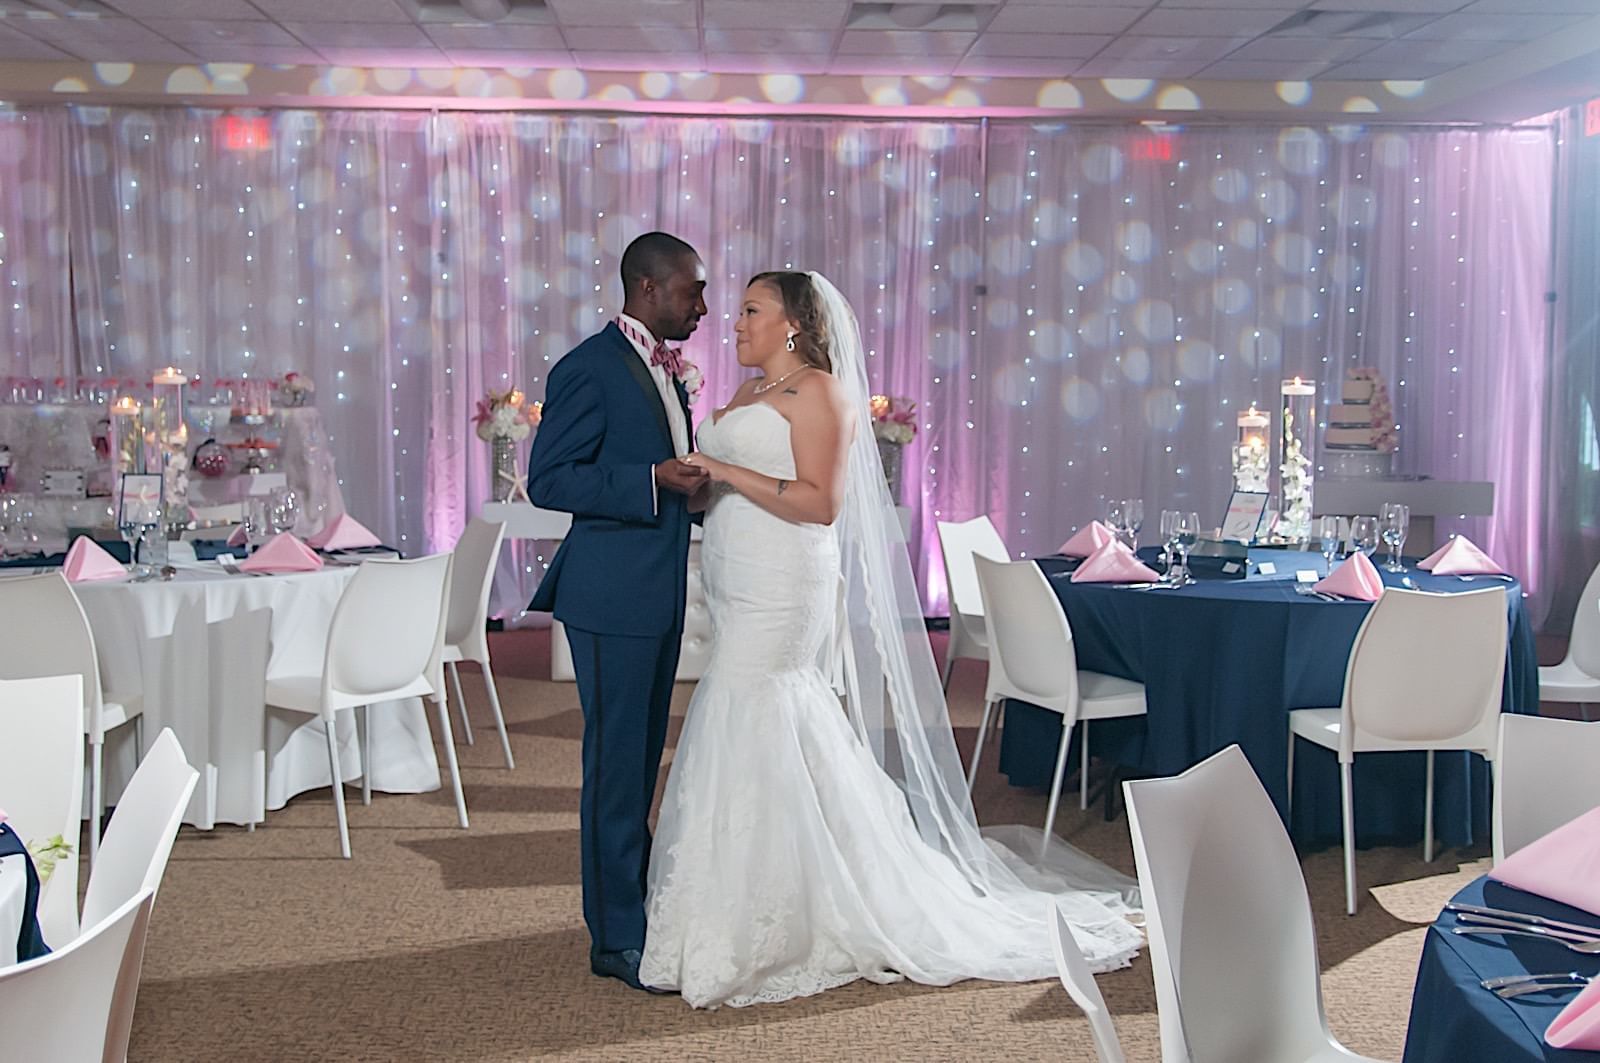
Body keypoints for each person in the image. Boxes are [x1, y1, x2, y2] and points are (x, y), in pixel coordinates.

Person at [638, 270, 1144, 1008]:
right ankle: (747, 893)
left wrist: (722, 468)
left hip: (786, 577)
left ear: (793, 325)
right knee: (749, 711)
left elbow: (820, 502)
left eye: (751, 310)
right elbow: (734, 480)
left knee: (759, 701)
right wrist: (703, 483)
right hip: (737, 574)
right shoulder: (746, 395)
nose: (735, 321)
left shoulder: (821, 392)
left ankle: (789, 908)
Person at [526, 231, 709, 992]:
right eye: (689, 291)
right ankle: (615, 938)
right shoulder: (587, 368)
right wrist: (650, 480)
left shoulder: (665, 369)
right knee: (615, 769)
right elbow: (550, 478)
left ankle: (631, 913)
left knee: (639, 763)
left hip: (656, 592)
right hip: (609, 594)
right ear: (645, 287)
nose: (702, 306)